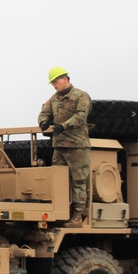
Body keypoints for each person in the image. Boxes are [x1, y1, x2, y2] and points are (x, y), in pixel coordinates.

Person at [38, 66, 92, 228]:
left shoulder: (80, 96)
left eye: (56, 81)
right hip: (59, 146)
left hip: (77, 145)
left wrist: (64, 126)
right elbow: (44, 112)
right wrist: (43, 122)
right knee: (58, 180)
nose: (54, 85)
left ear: (65, 79)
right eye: (52, 83)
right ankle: (61, 213)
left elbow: (81, 116)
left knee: (78, 180)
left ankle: (77, 216)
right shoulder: (53, 99)